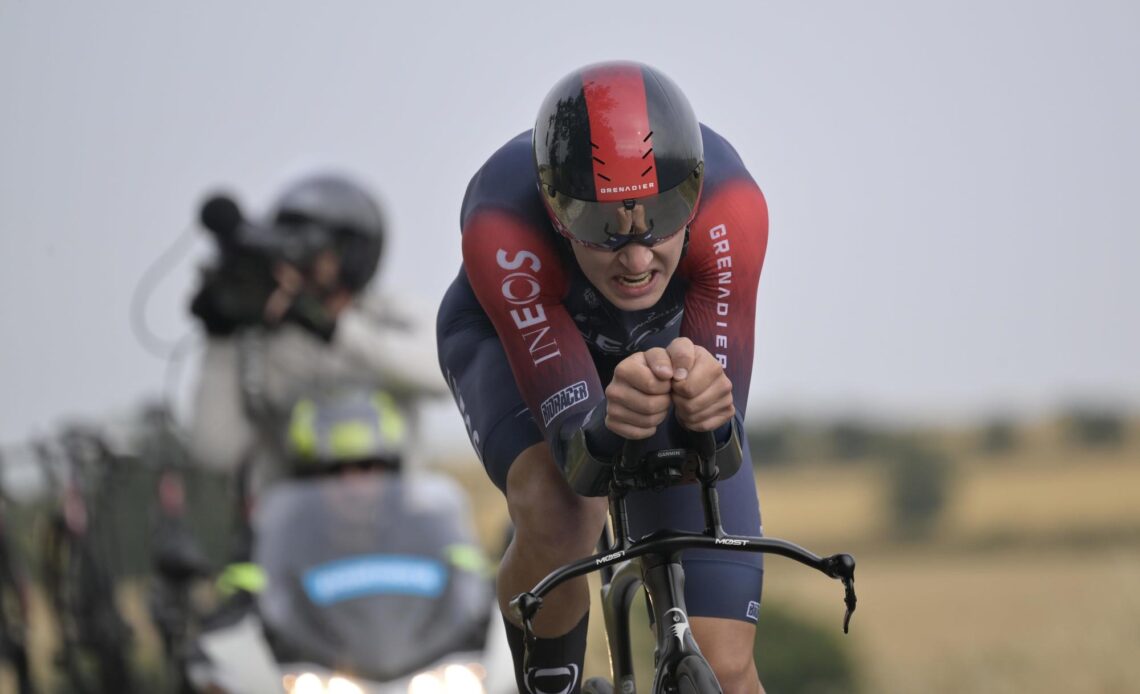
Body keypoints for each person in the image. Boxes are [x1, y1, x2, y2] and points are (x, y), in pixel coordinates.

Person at [437, 61, 770, 692]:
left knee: (724, 665)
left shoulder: (735, 210)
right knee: (562, 511)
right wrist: (605, 425)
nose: (638, 260)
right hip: (514, 336)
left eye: (661, 220)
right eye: (602, 230)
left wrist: (708, 410)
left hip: (657, 348)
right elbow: (580, 461)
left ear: (693, 193)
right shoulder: (502, 227)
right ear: (557, 210)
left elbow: (717, 453)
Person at [187, 172, 448, 501]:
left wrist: (331, 327)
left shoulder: (390, 315)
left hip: (396, 532)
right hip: (300, 539)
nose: (296, 264)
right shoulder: (269, 343)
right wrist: (220, 341)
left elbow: (442, 374)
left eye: (313, 250)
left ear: (353, 252)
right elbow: (215, 453)